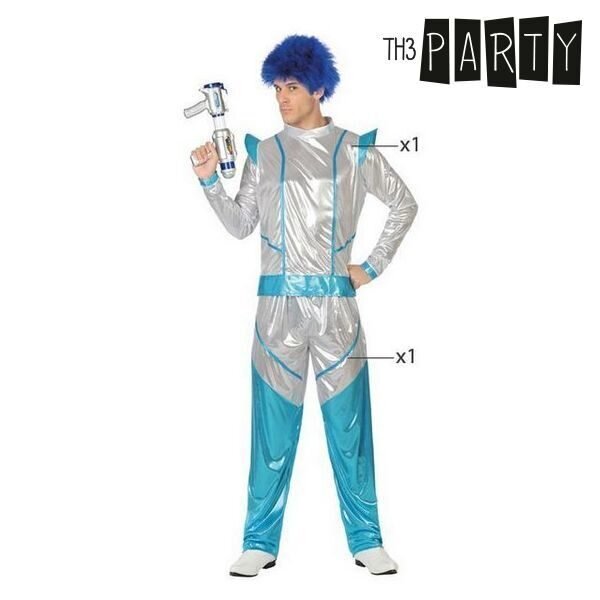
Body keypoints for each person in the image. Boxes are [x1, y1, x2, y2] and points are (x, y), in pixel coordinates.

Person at [191, 34, 418, 576]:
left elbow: (404, 204)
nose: (281, 97)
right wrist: (209, 183)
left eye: (291, 86)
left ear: (319, 88)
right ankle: (258, 541)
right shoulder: (263, 153)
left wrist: (370, 267)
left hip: (337, 308)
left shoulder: (355, 150)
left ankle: (367, 539)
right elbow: (241, 225)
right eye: (276, 88)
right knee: (270, 428)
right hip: (276, 311)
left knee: (349, 428)